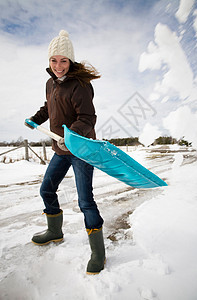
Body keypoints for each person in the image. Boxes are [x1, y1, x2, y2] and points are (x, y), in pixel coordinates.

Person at [25, 30, 105, 275]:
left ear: (70, 61)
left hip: (80, 149)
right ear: (49, 61)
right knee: (46, 189)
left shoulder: (80, 84)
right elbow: (49, 106)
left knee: (85, 201)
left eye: (63, 60)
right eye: (53, 60)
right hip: (60, 149)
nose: (58, 66)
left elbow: (88, 118)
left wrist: (70, 137)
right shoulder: (50, 83)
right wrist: (35, 118)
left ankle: (98, 254)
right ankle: (55, 231)